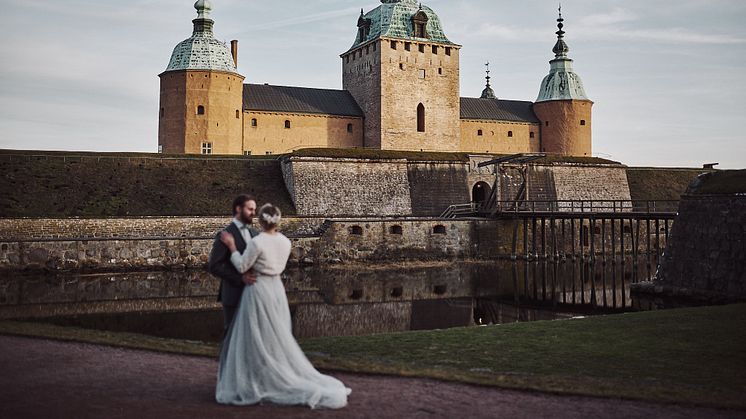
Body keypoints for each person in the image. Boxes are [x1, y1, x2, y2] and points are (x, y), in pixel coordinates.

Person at [215, 204, 351, 409]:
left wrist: (232, 246)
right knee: (276, 336)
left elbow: (242, 266)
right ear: (277, 221)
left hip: (259, 289)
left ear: (261, 221)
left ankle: (258, 379)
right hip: (277, 289)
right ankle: (271, 375)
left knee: (255, 335)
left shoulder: (257, 242)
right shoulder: (286, 242)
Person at [208, 194, 259, 338]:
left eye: (254, 209)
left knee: (251, 335)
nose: (253, 213)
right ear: (238, 209)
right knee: (231, 334)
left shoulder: (254, 233)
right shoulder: (224, 235)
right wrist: (240, 278)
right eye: (250, 209)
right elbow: (214, 266)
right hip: (233, 294)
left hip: (253, 294)